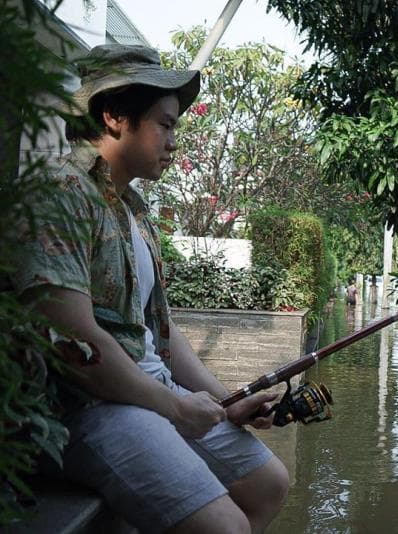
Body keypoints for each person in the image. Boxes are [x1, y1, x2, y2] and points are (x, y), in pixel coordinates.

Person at [10, 45, 288, 533]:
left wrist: (225, 400)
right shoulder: (61, 193)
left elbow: (157, 332)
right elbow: (75, 345)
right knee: (227, 528)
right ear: (115, 116)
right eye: (166, 123)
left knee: (269, 484)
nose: (174, 141)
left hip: (150, 390)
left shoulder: (134, 209)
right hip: (88, 406)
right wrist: (177, 409)